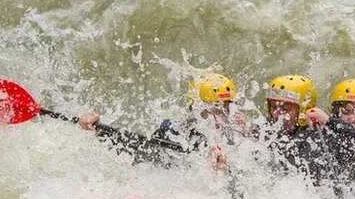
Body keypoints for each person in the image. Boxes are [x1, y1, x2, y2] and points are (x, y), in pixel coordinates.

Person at [77, 71, 243, 170]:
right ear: (196, 109)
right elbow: (137, 152)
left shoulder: (239, 134)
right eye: (214, 108)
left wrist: (222, 173)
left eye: (225, 108)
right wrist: (99, 129)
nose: (221, 116)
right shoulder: (175, 133)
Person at [260, 74, 330, 184]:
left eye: (285, 109)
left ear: (304, 110)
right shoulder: (264, 132)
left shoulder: (314, 140)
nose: (276, 114)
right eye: (273, 107)